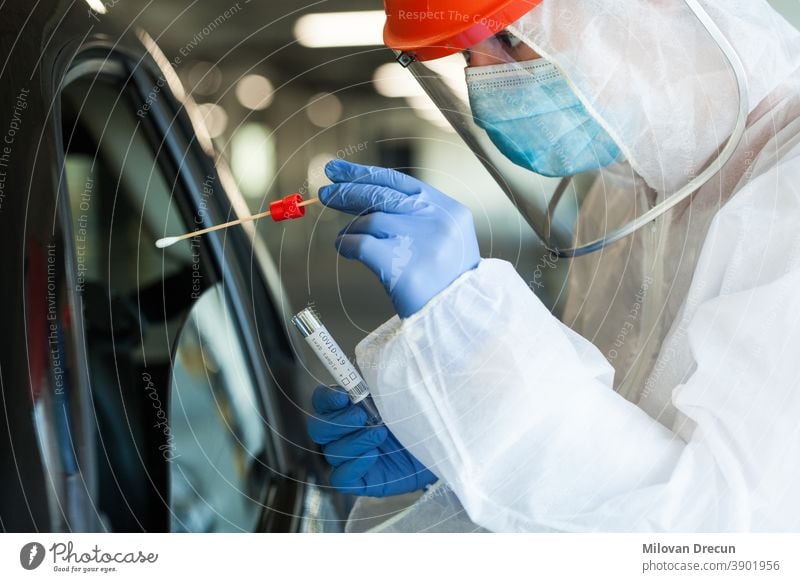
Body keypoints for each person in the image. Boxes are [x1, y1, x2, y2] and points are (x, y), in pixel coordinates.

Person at [307, 0, 800, 532]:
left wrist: (466, 323)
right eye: (466, 56)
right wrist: (467, 434)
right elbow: (610, 435)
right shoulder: (622, 202)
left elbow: (723, 538)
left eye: (512, 38)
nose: (484, 81)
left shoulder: (787, 193)